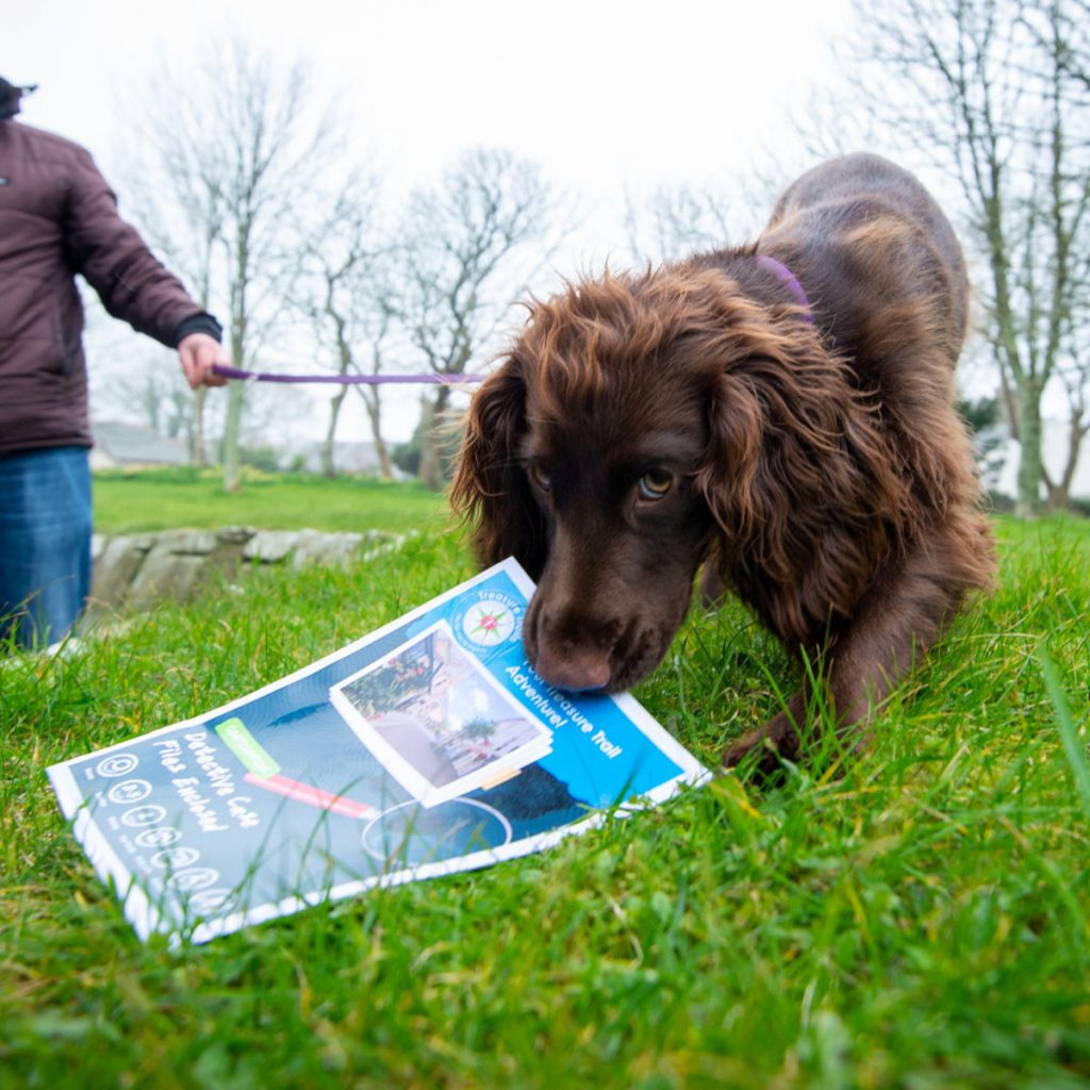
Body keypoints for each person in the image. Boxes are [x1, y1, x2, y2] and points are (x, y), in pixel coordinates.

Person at [0, 76, 230, 649]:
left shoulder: (53, 163)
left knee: (42, 651)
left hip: (29, 438)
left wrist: (189, 325)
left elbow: (122, 262)